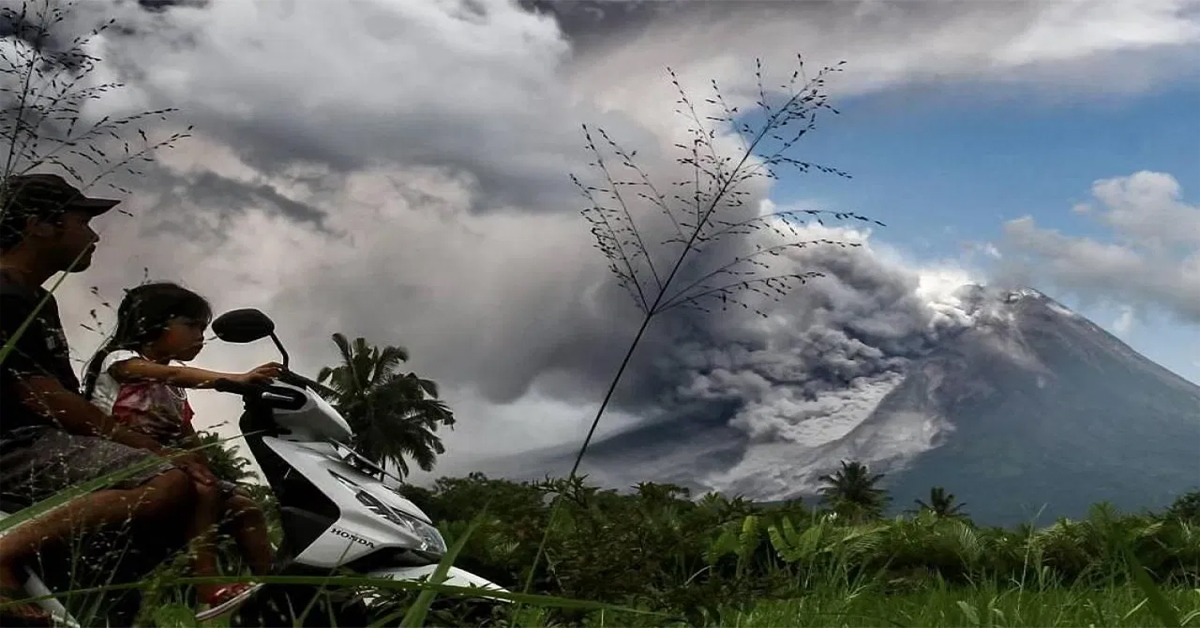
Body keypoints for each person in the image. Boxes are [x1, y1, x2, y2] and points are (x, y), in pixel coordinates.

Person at [0, 173, 222, 624]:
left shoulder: (38, 299)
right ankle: (4, 552)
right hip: (12, 444)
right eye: (82, 221)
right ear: (37, 224)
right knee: (164, 480)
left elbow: (61, 394)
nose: (94, 234)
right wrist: (146, 448)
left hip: (39, 441)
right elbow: (44, 396)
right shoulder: (4, 293)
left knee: (213, 497)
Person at [80, 281, 281, 618]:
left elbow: (187, 436)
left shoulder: (176, 391)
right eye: (191, 326)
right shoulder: (121, 360)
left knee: (245, 506)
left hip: (164, 464)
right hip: (114, 458)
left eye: (203, 329)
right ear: (153, 323)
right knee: (201, 488)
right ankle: (209, 587)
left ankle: (277, 588)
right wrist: (234, 380)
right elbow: (170, 373)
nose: (200, 337)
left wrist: (212, 476)